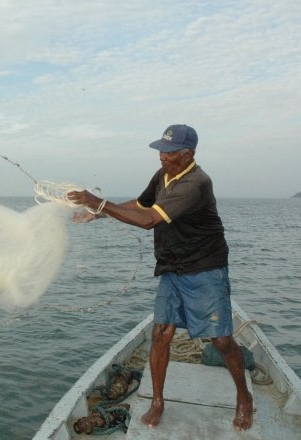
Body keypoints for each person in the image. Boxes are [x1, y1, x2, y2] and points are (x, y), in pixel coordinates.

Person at [67, 124, 253, 431]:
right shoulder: (163, 175)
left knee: (220, 340)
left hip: (205, 267)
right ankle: (157, 401)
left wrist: (97, 201)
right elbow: (141, 205)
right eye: (160, 151)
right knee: (160, 333)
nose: (162, 157)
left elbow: (149, 220)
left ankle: (244, 398)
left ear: (188, 153)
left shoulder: (196, 183)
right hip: (172, 266)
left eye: (168, 152)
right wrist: (97, 214)